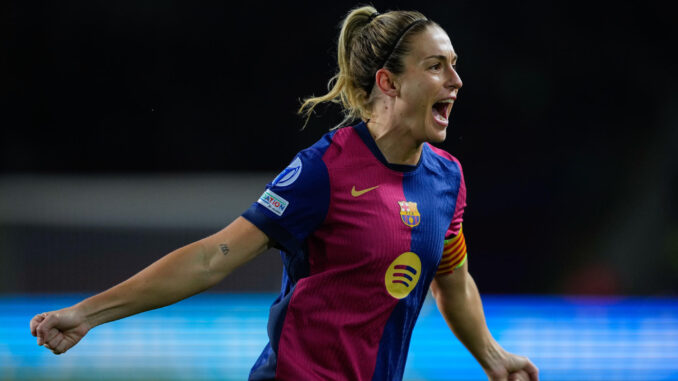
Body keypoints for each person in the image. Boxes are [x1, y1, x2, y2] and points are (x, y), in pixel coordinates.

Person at [30, 5, 539, 381]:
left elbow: (453, 281)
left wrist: (494, 359)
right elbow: (212, 258)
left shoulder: (446, 180)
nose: (456, 79)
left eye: (454, 64)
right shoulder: (325, 170)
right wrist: (86, 315)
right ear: (388, 82)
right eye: (436, 66)